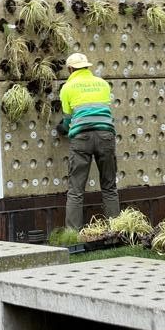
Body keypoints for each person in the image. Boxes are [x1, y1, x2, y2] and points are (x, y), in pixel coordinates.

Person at [59, 51, 118, 230]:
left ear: (70, 69)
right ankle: (114, 230)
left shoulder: (67, 88)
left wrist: (62, 128)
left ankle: (73, 234)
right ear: (87, 66)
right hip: (106, 135)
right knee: (109, 187)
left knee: (76, 190)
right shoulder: (103, 84)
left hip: (81, 138)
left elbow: (68, 119)